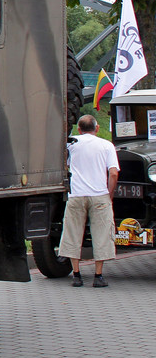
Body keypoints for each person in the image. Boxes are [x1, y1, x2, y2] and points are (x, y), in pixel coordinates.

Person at [57, 114, 119, 287]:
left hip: (76, 194)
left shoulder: (71, 144)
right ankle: (98, 276)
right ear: (97, 128)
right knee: (101, 234)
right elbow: (113, 173)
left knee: (73, 233)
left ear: (79, 129)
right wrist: (109, 194)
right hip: (99, 194)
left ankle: (76, 275)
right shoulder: (106, 145)